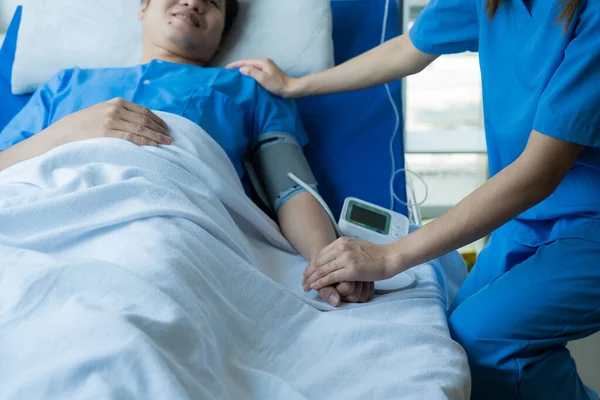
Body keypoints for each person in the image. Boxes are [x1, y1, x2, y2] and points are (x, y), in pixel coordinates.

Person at [228, 0, 600, 399]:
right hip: (526, 220)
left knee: (485, 338)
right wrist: (296, 86)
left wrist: (391, 256)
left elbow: (537, 174)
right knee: (458, 340)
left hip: (586, 223)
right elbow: (410, 48)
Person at [0, 0, 374, 307]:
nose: (193, 2)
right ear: (144, 6)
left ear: (221, 34)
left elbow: (291, 190)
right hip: (45, 215)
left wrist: (329, 261)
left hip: (167, 221)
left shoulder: (246, 89)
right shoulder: (67, 84)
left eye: (211, 3)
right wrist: (68, 131)